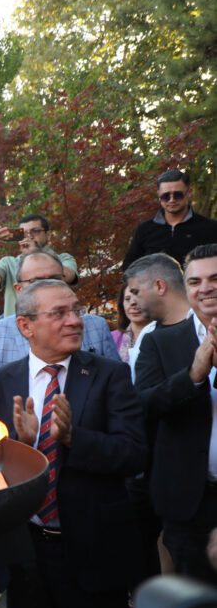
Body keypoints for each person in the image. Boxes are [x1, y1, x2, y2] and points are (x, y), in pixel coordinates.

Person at [0, 279, 146, 608]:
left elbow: (133, 454)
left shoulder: (109, 375)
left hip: (93, 552)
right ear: (25, 326)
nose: (74, 321)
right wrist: (22, 447)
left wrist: (72, 438)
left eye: (76, 310)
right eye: (58, 313)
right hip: (24, 553)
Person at [135, 244, 217, 585]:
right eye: (195, 281)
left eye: (215, 278)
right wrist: (193, 376)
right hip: (189, 503)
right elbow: (143, 406)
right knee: (196, 603)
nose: (205, 288)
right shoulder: (160, 342)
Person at [0, 251, 117, 425]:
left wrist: (73, 435)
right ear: (19, 289)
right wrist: (20, 439)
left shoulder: (96, 327)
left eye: (56, 279)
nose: (49, 287)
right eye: (37, 282)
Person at [0, 214, 79, 317]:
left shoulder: (64, 258)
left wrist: (36, 253)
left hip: (55, 320)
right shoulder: (9, 262)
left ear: (48, 235)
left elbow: (69, 276)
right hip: (18, 323)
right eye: (23, 233)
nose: (29, 236)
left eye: (35, 231)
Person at [123, 169, 217, 271]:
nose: (172, 200)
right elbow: (129, 269)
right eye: (166, 196)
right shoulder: (144, 229)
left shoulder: (210, 228)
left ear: (189, 193)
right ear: (159, 195)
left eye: (178, 195)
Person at [123, 253, 193, 378]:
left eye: (136, 292)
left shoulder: (207, 325)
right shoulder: (147, 334)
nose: (133, 301)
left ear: (160, 286)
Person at [114, 286, 152, 363]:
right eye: (127, 299)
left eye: (139, 297)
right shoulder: (112, 338)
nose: (133, 303)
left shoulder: (165, 336)